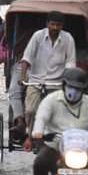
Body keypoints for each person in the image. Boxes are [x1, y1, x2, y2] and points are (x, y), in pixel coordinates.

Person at [19, 11, 76, 151]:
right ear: (47, 24)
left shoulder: (68, 39)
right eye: (52, 24)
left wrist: (68, 82)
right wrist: (23, 76)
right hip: (36, 81)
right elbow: (27, 57)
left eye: (58, 25)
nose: (55, 28)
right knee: (31, 110)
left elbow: (70, 64)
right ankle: (31, 136)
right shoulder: (38, 36)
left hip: (56, 82)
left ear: (62, 25)